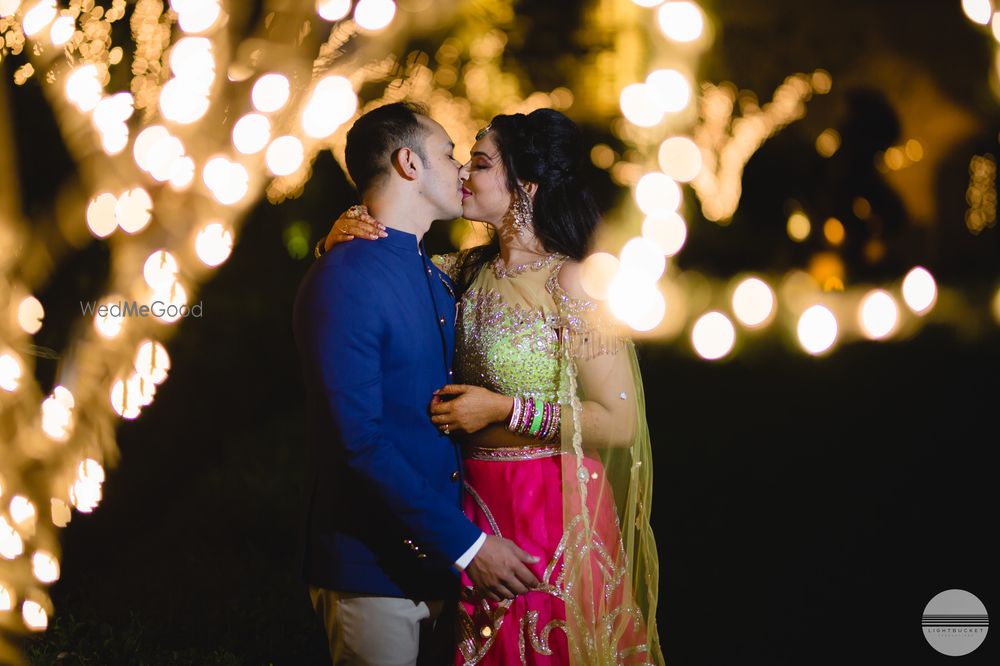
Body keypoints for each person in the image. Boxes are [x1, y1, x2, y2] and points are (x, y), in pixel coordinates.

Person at [320, 108, 663, 665]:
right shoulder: (458, 272)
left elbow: (620, 422)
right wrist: (337, 238)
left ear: (525, 185)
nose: (462, 175)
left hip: (550, 506)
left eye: (478, 164)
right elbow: (374, 283)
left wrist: (504, 409)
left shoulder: (573, 282)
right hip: (472, 506)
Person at [293, 102, 541, 666]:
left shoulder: (437, 276)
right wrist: (470, 546)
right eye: (449, 154)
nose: (460, 169)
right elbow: (356, 443)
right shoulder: (347, 275)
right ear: (409, 162)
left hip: (442, 572)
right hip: (370, 571)